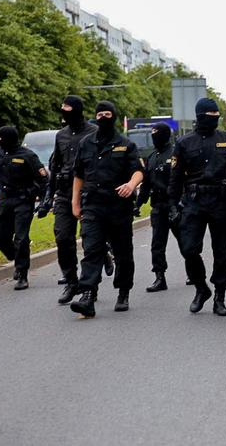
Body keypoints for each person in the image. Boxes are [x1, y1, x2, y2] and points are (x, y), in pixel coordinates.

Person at [69, 101, 143, 318]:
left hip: (118, 206)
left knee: (123, 253)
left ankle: (123, 291)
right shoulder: (86, 143)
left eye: (107, 113)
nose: (103, 117)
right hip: (93, 205)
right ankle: (87, 296)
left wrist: (131, 184)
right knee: (91, 249)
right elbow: (78, 175)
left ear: (114, 117)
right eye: (99, 114)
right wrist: (75, 202)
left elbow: (138, 171)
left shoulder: (126, 144)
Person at [168, 98, 226, 316]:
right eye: (211, 114)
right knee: (188, 248)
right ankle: (201, 288)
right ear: (200, 117)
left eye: (217, 114)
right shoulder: (184, 142)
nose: (215, 118)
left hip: (222, 201)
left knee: (222, 253)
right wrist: (172, 206)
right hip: (194, 201)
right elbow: (175, 178)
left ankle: (220, 296)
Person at [42, 96, 105, 304]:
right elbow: (55, 166)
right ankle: (71, 281)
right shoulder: (60, 136)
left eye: (67, 107)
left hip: (88, 191)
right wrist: (48, 197)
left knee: (89, 239)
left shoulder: (94, 132)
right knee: (62, 237)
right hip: (64, 192)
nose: (63, 111)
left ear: (77, 110)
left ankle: (90, 285)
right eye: (62, 108)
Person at [0, 126, 49, 290]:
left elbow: (43, 180)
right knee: (0, 237)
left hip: (23, 200)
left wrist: (45, 201)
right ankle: (16, 258)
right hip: (4, 199)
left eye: (2, 138)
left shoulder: (28, 155)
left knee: (21, 237)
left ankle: (22, 274)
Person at [135, 122, 177, 293]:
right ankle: (160, 276)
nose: (154, 136)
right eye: (152, 133)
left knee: (186, 242)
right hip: (158, 205)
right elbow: (146, 185)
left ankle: (193, 272)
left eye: (156, 133)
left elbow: (181, 180)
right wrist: (137, 204)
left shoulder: (175, 153)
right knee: (157, 244)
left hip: (174, 205)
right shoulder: (151, 157)